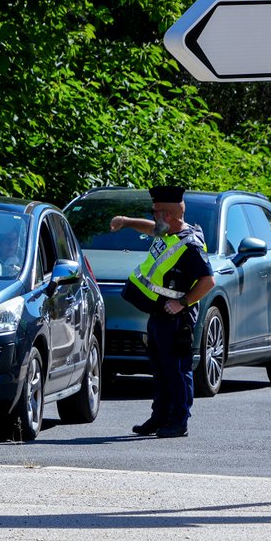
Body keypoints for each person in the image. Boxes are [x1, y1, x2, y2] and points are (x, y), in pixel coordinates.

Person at [110, 185, 215, 438]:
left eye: (155, 211)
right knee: (160, 369)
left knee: (176, 371)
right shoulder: (167, 232)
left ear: (167, 216)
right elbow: (148, 227)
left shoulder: (190, 247)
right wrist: (125, 222)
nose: (152, 215)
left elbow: (208, 281)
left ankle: (179, 421)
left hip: (175, 318)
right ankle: (159, 417)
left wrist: (183, 303)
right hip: (158, 314)